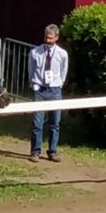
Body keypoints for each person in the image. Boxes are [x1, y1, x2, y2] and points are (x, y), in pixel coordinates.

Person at [28, 24, 68, 163]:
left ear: (56, 38)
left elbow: (64, 71)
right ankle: (35, 151)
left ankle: (52, 151)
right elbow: (31, 69)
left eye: (51, 38)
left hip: (55, 90)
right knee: (37, 123)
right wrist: (34, 84)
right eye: (46, 37)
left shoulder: (62, 54)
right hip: (40, 91)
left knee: (54, 123)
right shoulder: (35, 52)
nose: (48, 40)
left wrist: (59, 84)